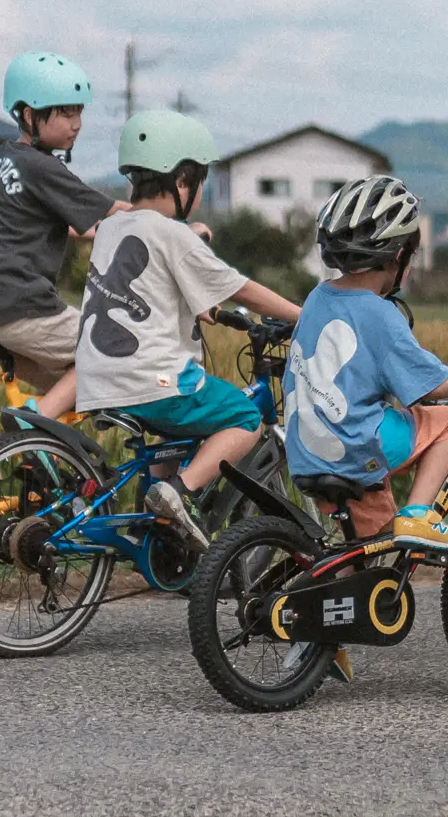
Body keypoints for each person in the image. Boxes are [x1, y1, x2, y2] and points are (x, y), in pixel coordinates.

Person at [72, 109, 302, 550]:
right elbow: (241, 289)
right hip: (152, 378)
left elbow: (150, 285)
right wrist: (303, 315)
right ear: (182, 180)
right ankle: (179, 491)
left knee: (173, 434)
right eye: (199, 181)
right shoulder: (173, 234)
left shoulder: (112, 227)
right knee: (244, 417)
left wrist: (202, 303)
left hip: (97, 376)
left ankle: (154, 533)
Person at [283, 175, 448, 551]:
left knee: (370, 550)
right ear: (397, 256)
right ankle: (418, 515)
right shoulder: (380, 313)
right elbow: (435, 385)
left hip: (306, 450)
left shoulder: (317, 297)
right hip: (353, 446)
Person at [0, 52, 114, 415]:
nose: (77, 124)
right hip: (17, 305)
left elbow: (37, 224)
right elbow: (113, 210)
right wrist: (173, 228)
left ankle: (35, 444)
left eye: (79, 112)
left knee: (85, 394)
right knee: (115, 350)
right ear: (29, 115)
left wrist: (99, 232)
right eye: (65, 113)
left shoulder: (3, 158)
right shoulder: (40, 166)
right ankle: (34, 424)